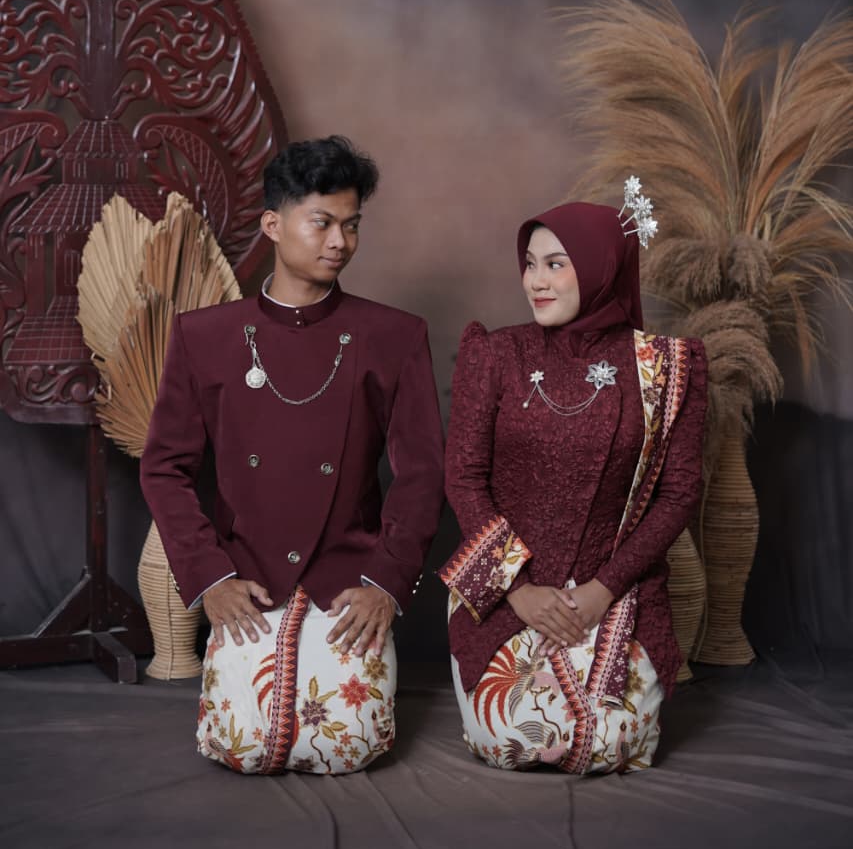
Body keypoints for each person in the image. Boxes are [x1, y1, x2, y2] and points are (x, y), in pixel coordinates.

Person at [141, 135, 445, 775]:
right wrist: (210, 578)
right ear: (273, 225)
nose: (340, 241)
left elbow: (423, 475)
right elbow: (164, 468)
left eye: (352, 225)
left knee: (348, 746)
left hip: (349, 582)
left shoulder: (394, 336)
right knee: (240, 745)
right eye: (322, 222)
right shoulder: (205, 336)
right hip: (246, 581)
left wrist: (386, 584)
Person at [440, 189, 707, 774]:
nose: (536, 281)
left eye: (556, 264)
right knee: (512, 739)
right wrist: (518, 589)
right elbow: (463, 478)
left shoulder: (668, 368)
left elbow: (678, 494)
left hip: (616, 591)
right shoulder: (495, 354)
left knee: (612, 743)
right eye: (530, 264)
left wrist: (602, 589)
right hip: (505, 590)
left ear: (601, 267)